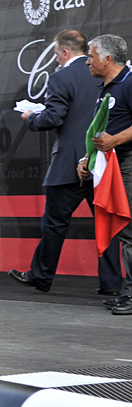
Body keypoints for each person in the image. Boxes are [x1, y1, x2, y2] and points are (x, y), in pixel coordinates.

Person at [9, 30, 122, 294]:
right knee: (107, 226)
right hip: (104, 163)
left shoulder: (61, 77)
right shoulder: (109, 76)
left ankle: (41, 276)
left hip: (69, 165)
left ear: (63, 52)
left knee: (54, 224)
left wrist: (31, 118)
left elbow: (54, 117)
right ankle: (111, 285)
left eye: (56, 54)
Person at [76, 35, 132, 314]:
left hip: (127, 162)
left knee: (130, 231)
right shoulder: (104, 88)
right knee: (124, 233)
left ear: (108, 59)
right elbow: (98, 131)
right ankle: (129, 293)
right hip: (109, 165)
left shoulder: (130, 82)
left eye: (91, 56)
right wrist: (87, 157)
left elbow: (113, 134)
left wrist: (116, 140)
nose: (87, 61)